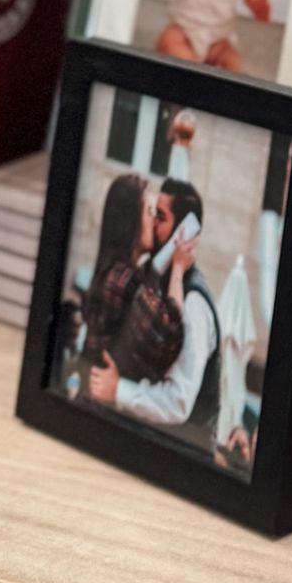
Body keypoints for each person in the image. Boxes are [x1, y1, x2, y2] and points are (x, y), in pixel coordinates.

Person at [85, 179, 223, 456]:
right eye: (150, 212)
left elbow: (177, 404)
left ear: (183, 233)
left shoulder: (194, 302)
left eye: (159, 216)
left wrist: (118, 391)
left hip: (182, 455)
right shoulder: (149, 277)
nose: (151, 222)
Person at [70, 172, 183, 385]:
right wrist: (178, 267)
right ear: (130, 220)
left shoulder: (116, 270)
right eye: (149, 211)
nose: (154, 219)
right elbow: (169, 335)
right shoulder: (121, 279)